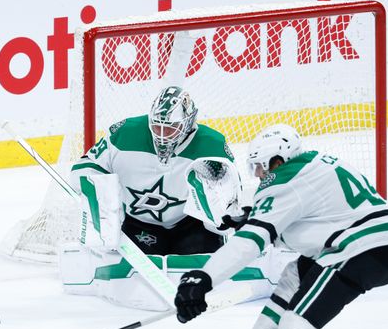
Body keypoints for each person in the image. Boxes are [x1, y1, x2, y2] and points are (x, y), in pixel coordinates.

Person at [174, 124, 388, 329]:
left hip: (364, 248)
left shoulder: (286, 183)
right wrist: (255, 215)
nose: (259, 175)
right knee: (293, 277)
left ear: (278, 159)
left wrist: (204, 278)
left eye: (261, 167)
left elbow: (252, 243)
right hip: (384, 239)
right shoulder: (316, 164)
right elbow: (312, 218)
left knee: (298, 319)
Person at [59, 86, 268, 311]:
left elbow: (229, 194)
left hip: (189, 225)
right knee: (133, 268)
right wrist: (99, 196)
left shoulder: (212, 144)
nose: (161, 134)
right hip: (139, 225)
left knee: (206, 260)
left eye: (170, 129)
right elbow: (84, 167)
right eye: (156, 126)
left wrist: (225, 215)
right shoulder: (124, 133)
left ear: (188, 123)